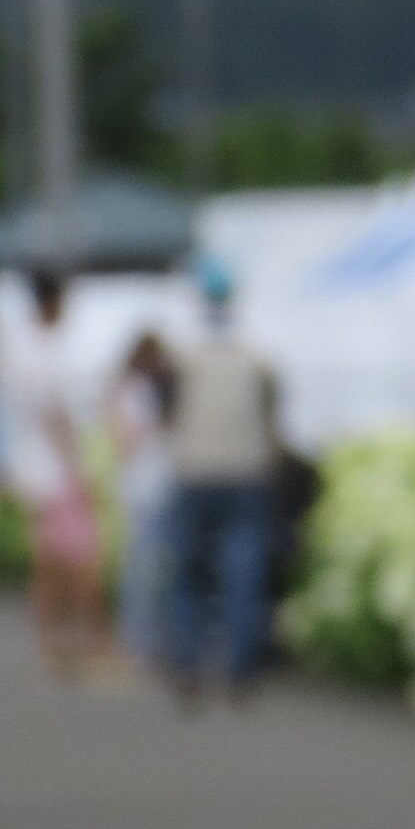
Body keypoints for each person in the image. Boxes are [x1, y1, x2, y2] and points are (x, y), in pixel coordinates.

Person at [163, 259, 286, 701]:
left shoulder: (186, 357)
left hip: (195, 472)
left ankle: (188, 664)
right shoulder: (257, 359)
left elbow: (171, 415)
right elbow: (274, 418)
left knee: (189, 575)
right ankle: (241, 668)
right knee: (244, 574)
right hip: (246, 473)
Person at [0, 269, 113, 675]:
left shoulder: (22, 345)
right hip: (54, 467)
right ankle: (79, 640)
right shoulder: (41, 348)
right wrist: (78, 465)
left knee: (50, 560)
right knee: (76, 557)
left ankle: (54, 642)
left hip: (34, 465)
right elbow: (54, 414)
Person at [108, 332, 182, 670]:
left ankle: (149, 637)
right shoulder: (133, 393)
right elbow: (124, 441)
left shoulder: (147, 392)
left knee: (153, 566)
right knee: (144, 567)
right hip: (145, 487)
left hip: (159, 485)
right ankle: (139, 637)